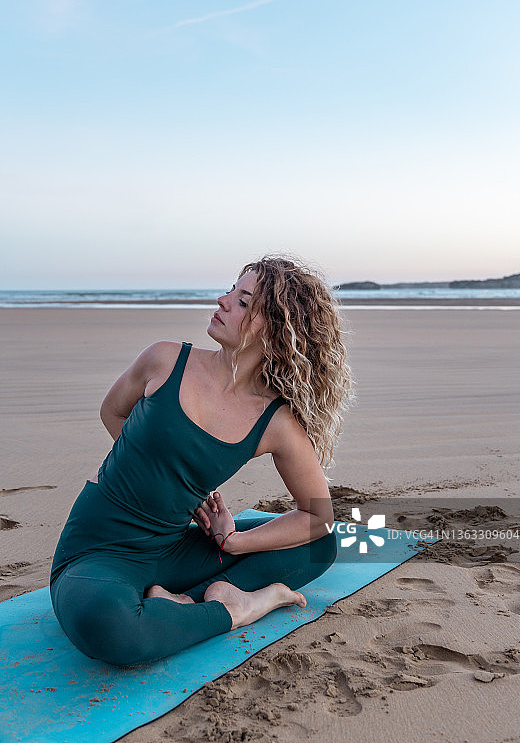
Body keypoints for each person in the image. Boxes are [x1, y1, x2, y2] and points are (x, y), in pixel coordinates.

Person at [49, 255, 352, 667]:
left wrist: (235, 541)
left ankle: (184, 601)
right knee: (108, 627)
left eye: (244, 301)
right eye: (232, 290)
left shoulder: (275, 421)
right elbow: (113, 412)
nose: (224, 300)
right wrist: (158, 476)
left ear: (277, 331)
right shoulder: (166, 360)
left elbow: (317, 516)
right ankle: (238, 608)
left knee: (321, 545)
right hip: (100, 548)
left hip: (173, 550)